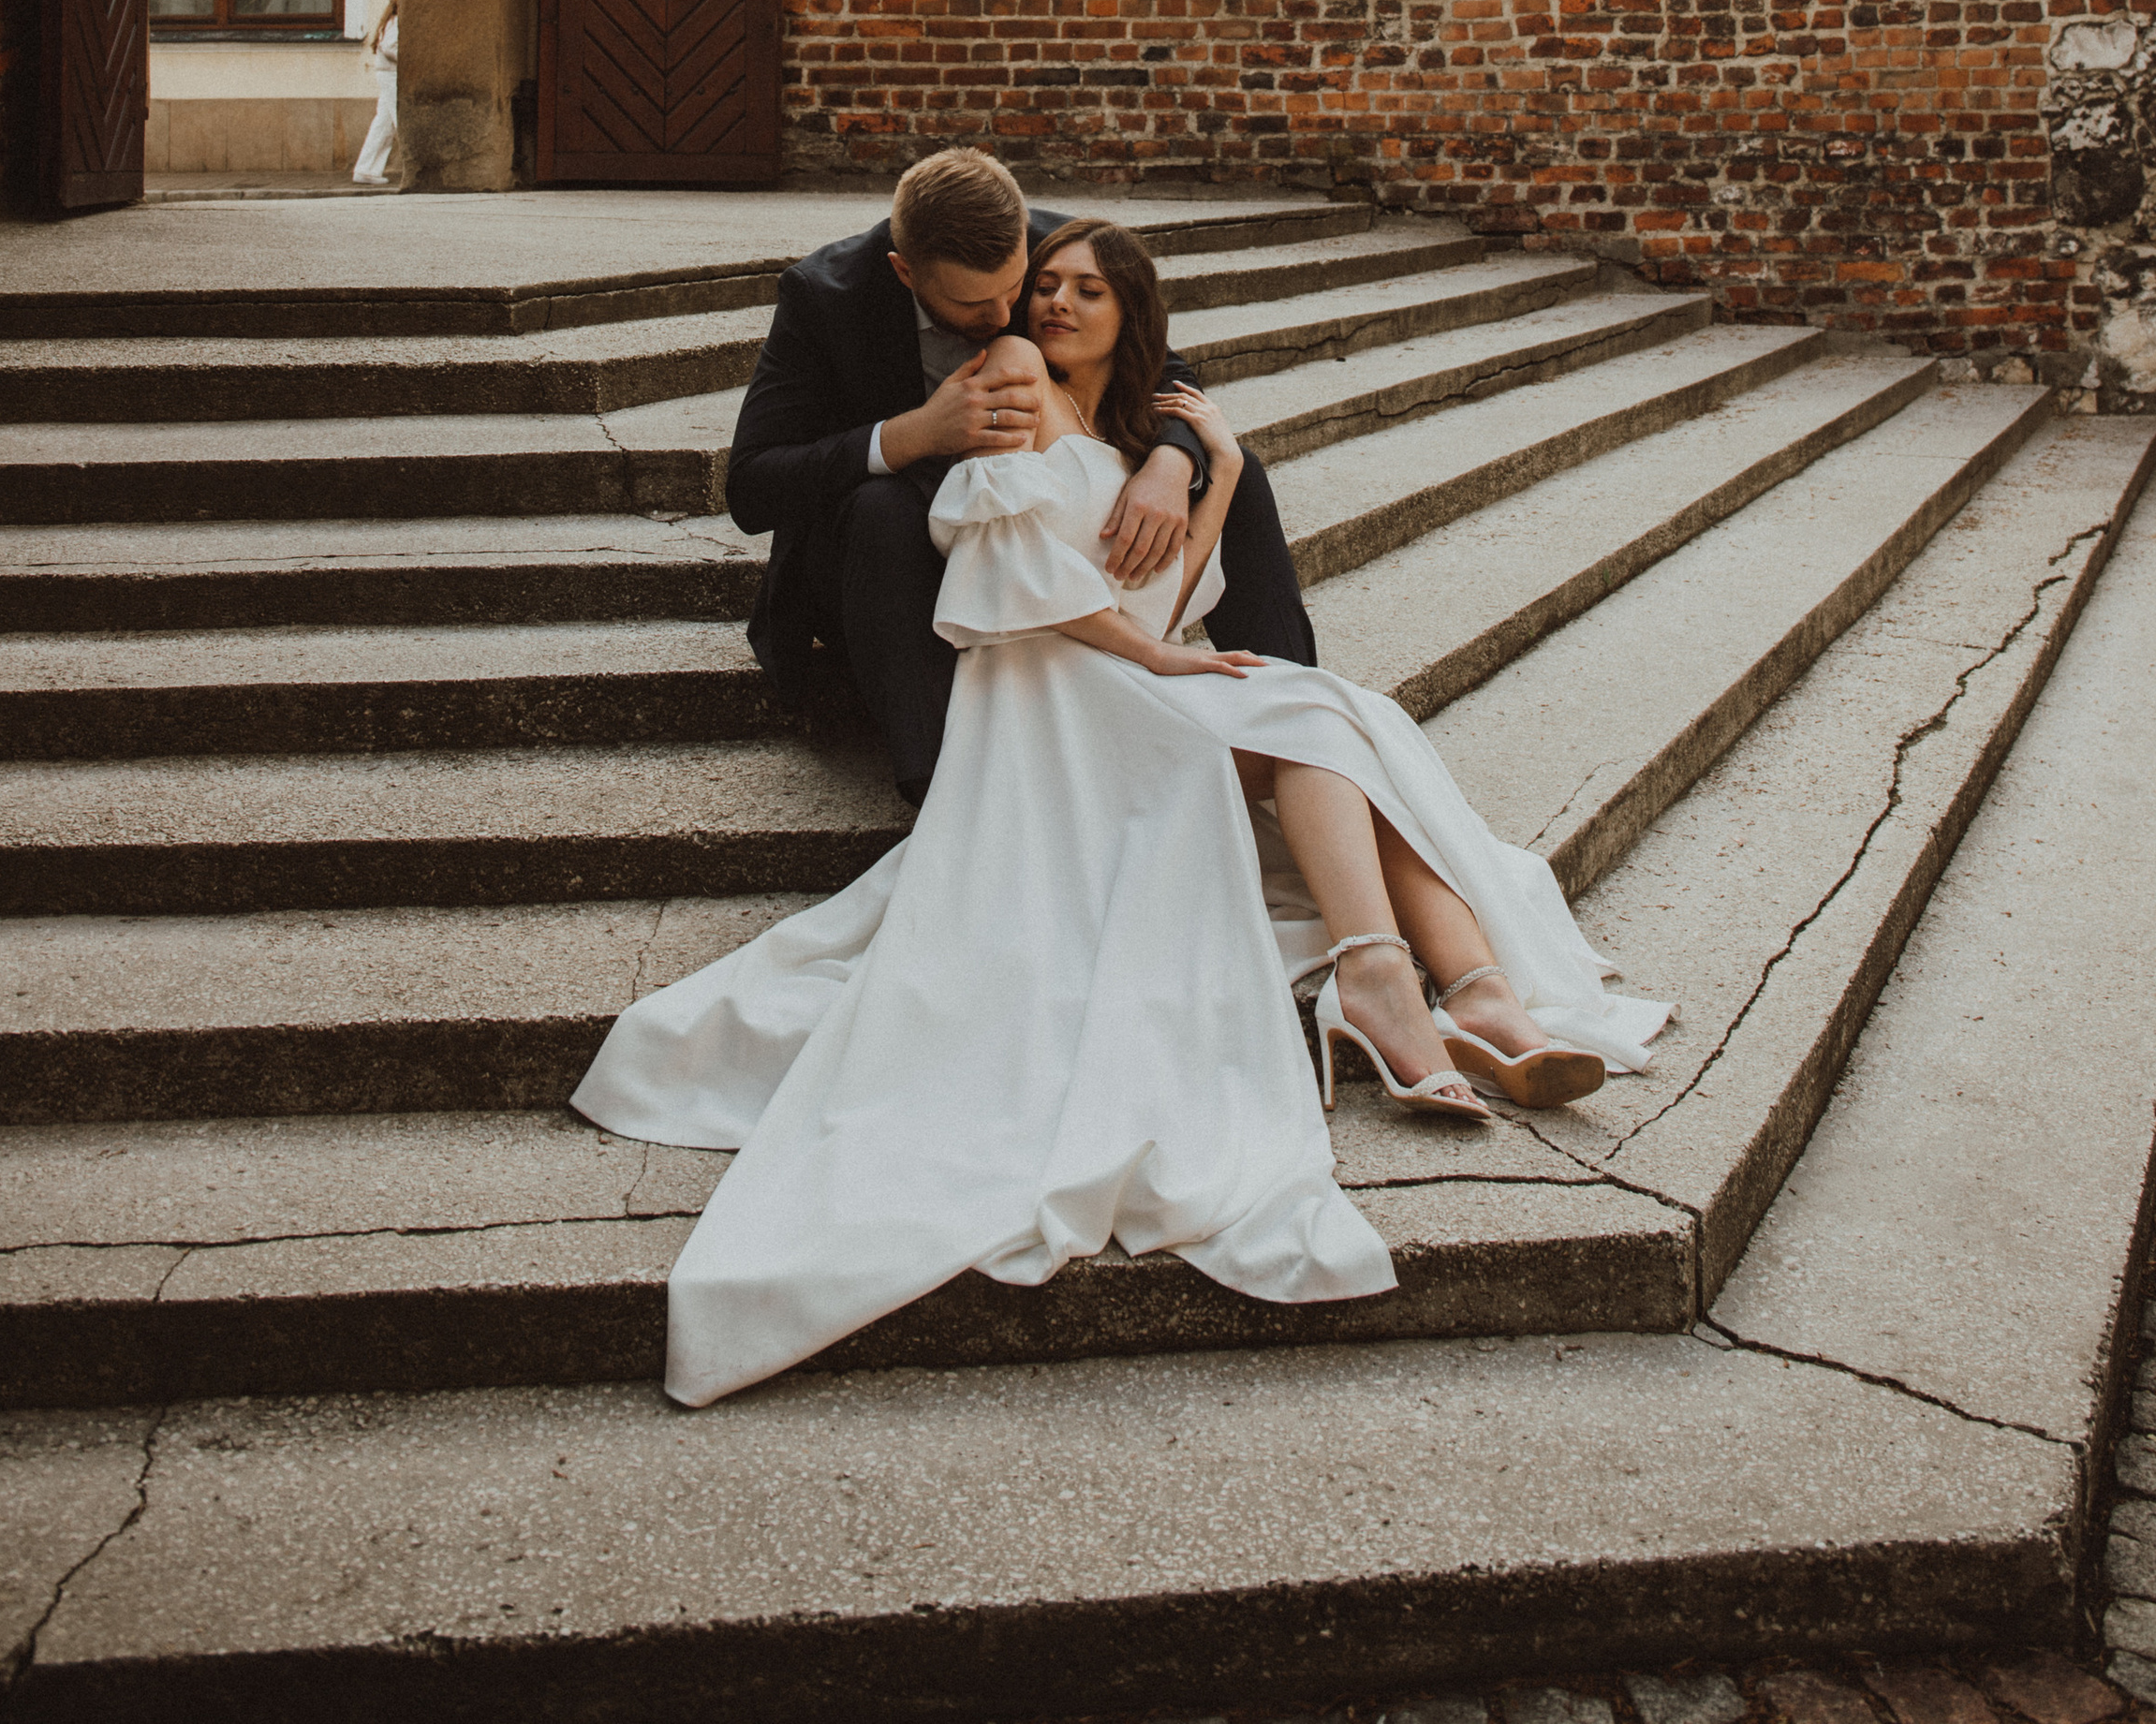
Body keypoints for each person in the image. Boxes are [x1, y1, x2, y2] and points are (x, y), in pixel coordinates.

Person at [575, 216, 1672, 1407]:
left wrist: (1206, 470)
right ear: (913, 277)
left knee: (1329, 721)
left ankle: (1447, 992)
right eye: (1027, 292)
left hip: (1128, 656)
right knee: (1309, 720)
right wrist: (1134, 637)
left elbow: (1173, 570)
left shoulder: (1131, 394)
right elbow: (990, 575)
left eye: (1065, 292)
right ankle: (1421, 985)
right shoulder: (970, 363)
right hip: (1024, 670)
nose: (1032, 310)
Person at [723, 148, 1317, 800]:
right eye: (973, 303)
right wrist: (911, 434)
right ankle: (943, 789)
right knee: (882, 508)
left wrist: (1172, 460)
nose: (1008, 315)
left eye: (1016, 286)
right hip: (895, 556)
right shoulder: (825, 296)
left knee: (1234, 471)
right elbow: (753, 484)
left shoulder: (1049, 249)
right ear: (904, 271)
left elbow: (1163, 367)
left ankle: (1293, 704)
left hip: (1040, 516)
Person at [350, 0, 399, 187]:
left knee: (384, 124)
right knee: (399, 120)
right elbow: (389, 47)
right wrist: (409, 59)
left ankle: (366, 169)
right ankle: (421, 168)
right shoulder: (397, 21)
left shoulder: (389, 21)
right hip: (392, 75)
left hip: (386, 74)